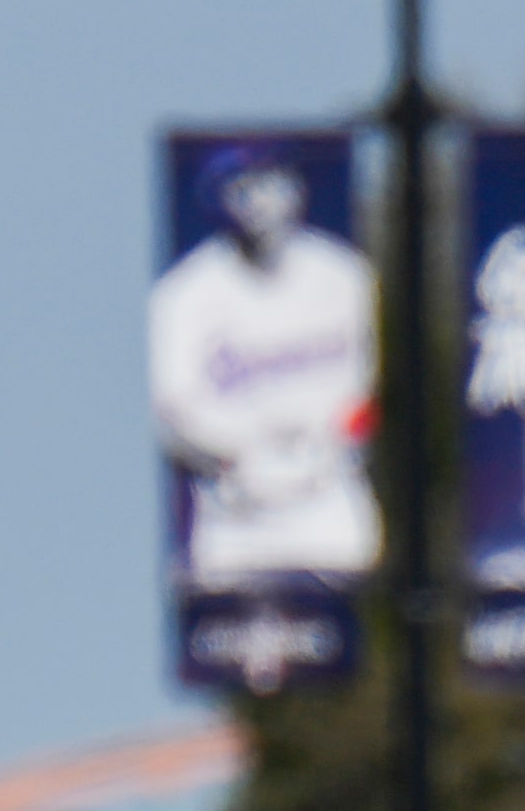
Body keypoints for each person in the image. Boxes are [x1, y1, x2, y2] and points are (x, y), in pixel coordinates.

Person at [148, 144, 380, 587]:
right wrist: (233, 458)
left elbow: (374, 392)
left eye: (269, 185)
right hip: (237, 523)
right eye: (241, 189)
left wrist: (335, 441)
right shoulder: (183, 295)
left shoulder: (346, 276)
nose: (257, 201)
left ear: (295, 192)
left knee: (354, 646)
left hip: (329, 508)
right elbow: (170, 419)